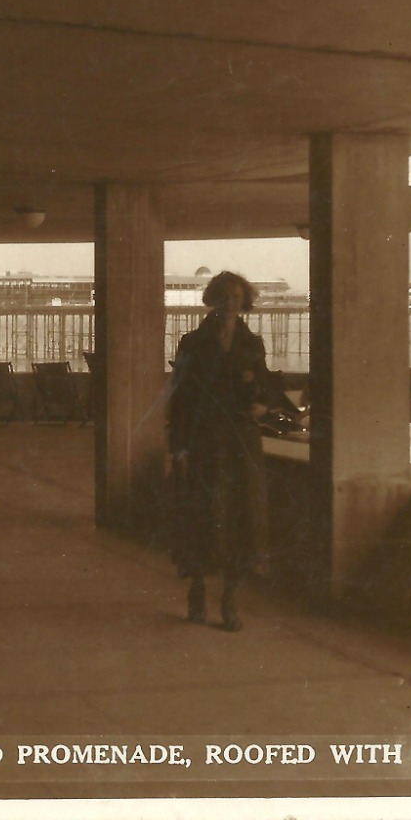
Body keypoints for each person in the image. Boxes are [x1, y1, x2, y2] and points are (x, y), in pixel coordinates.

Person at [167, 270, 272, 633]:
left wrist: (262, 408)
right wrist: (177, 446)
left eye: (237, 298)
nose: (230, 304)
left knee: (242, 520)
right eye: (224, 297)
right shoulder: (192, 343)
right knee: (202, 516)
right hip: (203, 440)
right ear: (212, 298)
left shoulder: (252, 343)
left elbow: (264, 388)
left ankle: (229, 602)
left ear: (245, 302)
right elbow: (178, 397)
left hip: (242, 442)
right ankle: (197, 591)